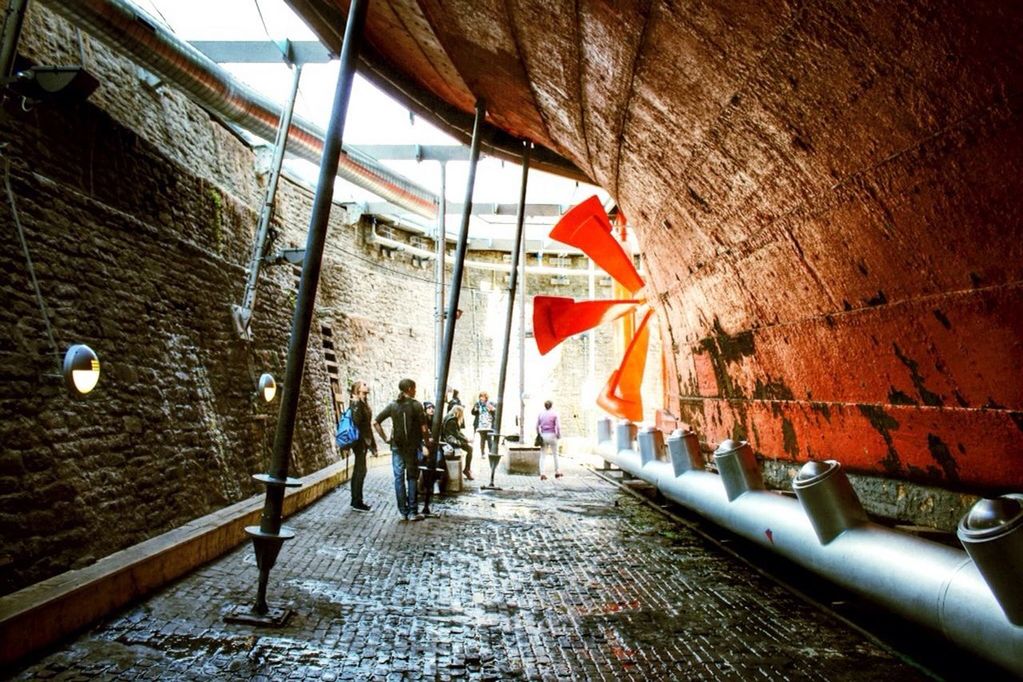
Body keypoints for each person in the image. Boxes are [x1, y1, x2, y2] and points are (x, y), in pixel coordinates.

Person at [373, 378, 429, 521]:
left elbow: (375, 422)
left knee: (398, 478)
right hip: (411, 446)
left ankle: (403, 512)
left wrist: (386, 439)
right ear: (409, 388)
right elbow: (423, 428)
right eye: (414, 388)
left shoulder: (393, 405)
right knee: (411, 477)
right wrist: (427, 443)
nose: (415, 391)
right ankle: (412, 511)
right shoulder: (417, 405)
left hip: (397, 446)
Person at [348, 380, 377, 512]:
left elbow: (367, 425)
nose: (367, 385)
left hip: (364, 440)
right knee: (360, 470)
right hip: (359, 441)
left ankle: (357, 499)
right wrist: (355, 404)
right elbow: (358, 422)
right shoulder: (356, 403)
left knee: (360, 470)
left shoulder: (363, 403)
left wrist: (373, 445)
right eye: (364, 384)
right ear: (358, 389)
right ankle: (356, 501)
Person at [443, 404, 473, 479]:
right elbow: (456, 434)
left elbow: (456, 432)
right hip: (450, 441)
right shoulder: (452, 420)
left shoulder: (449, 417)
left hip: (449, 439)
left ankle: (467, 469)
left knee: (468, 447)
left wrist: (465, 439)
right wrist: (466, 439)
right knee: (470, 449)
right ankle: (467, 469)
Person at [536, 400, 562, 480]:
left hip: (544, 435)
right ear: (551, 405)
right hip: (552, 435)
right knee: (555, 454)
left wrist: (539, 434)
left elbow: (537, 426)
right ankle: (557, 472)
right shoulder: (555, 413)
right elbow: (558, 426)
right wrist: (558, 435)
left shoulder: (541, 414)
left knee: (543, 455)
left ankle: (542, 474)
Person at [470, 391, 496, 469]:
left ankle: (491, 452)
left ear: (486, 397)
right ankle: (482, 453)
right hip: (480, 424)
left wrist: (490, 408)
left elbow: (494, 411)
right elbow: (473, 412)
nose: (482, 398)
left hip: (489, 423)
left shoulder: (490, 403)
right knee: (482, 439)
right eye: (481, 396)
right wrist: (475, 409)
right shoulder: (478, 404)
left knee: (489, 438)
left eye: (483, 397)